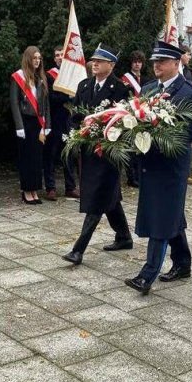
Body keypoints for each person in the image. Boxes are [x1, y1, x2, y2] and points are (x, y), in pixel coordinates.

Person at [125, 40, 192, 295]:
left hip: (171, 167)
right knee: (169, 215)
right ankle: (182, 263)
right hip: (150, 166)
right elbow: (135, 119)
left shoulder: (191, 91)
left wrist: (161, 141)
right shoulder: (147, 89)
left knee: (161, 218)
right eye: (154, 62)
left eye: (162, 61)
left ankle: (147, 275)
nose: (156, 65)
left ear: (176, 63)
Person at [62, 44, 134, 264]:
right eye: (94, 60)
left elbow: (125, 122)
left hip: (108, 152)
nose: (95, 64)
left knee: (97, 196)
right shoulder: (84, 85)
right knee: (109, 196)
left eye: (100, 61)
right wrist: (74, 134)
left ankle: (78, 250)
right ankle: (124, 237)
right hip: (88, 151)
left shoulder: (120, 88)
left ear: (111, 65)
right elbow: (74, 115)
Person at [10, 46, 52, 204]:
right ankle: (26, 191)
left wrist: (47, 123)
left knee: (37, 159)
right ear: (28, 58)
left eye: (39, 58)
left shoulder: (41, 78)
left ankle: (34, 190)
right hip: (25, 122)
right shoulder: (17, 77)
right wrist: (19, 126)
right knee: (26, 158)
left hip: (38, 122)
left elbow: (46, 103)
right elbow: (14, 103)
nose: (37, 61)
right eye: (34, 58)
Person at [43, 46, 78, 200]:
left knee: (69, 155)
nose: (59, 57)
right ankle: (50, 188)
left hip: (68, 121)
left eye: (62, 55)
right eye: (57, 55)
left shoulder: (72, 75)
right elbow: (50, 98)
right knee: (51, 155)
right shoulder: (49, 76)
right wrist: (68, 97)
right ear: (54, 58)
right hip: (54, 120)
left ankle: (70, 187)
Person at [122, 50, 153, 187]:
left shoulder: (146, 80)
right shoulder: (125, 79)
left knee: (141, 144)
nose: (137, 64)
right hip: (130, 115)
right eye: (135, 62)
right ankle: (131, 176)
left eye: (139, 62)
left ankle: (140, 174)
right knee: (131, 147)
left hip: (143, 114)